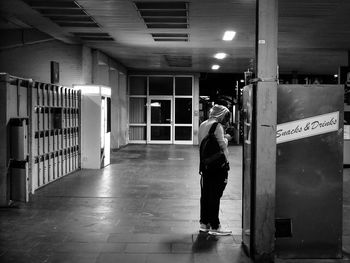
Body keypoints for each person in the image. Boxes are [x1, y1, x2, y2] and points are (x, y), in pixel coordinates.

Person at [198, 104, 232, 235]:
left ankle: (204, 223)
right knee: (215, 195)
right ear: (221, 114)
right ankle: (215, 226)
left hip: (205, 165)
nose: (226, 120)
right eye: (226, 117)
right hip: (218, 166)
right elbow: (222, 145)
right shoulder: (217, 126)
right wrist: (227, 138)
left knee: (206, 194)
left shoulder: (203, 124)